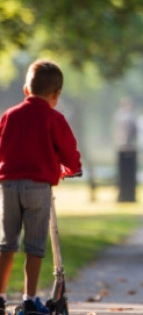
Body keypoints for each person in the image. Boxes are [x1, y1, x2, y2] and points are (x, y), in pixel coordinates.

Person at [0, 60, 82, 315]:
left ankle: (0, 296)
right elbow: (68, 151)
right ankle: (29, 299)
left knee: (7, 243)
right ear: (56, 94)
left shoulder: (9, 115)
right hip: (38, 187)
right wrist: (72, 168)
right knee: (34, 245)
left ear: (26, 89)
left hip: (9, 185)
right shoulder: (53, 118)